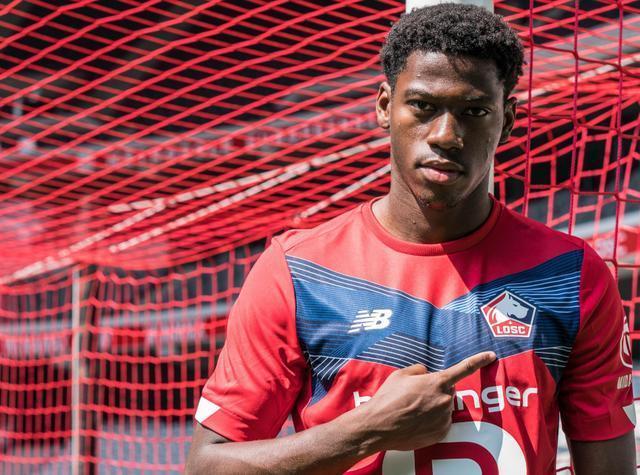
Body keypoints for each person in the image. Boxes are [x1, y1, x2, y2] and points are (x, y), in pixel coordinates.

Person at [185, 4, 636, 474]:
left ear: (507, 120)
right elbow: (207, 467)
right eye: (423, 106)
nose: (446, 135)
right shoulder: (299, 272)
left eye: (474, 111)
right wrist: (366, 431)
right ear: (385, 106)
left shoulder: (570, 276)